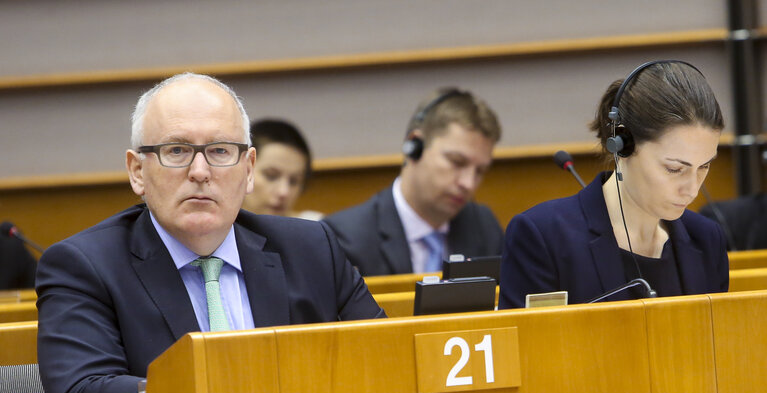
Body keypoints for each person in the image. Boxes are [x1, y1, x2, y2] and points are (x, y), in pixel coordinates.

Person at [36, 73, 385, 393]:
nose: (200, 172)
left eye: (220, 151)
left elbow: (383, 361)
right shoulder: (84, 266)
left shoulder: (312, 248)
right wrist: (231, 392)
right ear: (137, 172)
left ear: (248, 169)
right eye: (176, 151)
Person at [499, 60, 729, 309]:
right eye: (674, 169)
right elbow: (528, 345)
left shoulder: (706, 239)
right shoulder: (543, 237)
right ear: (622, 145)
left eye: (704, 166)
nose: (692, 189)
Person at [322, 87, 504, 276]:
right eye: (457, 162)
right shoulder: (345, 239)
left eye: (480, 171)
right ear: (415, 146)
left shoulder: (484, 227)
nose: (468, 183)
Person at [242, 118, 322, 220]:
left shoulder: (317, 229)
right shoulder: (219, 230)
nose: (284, 192)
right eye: (271, 176)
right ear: (245, 169)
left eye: (294, 181)